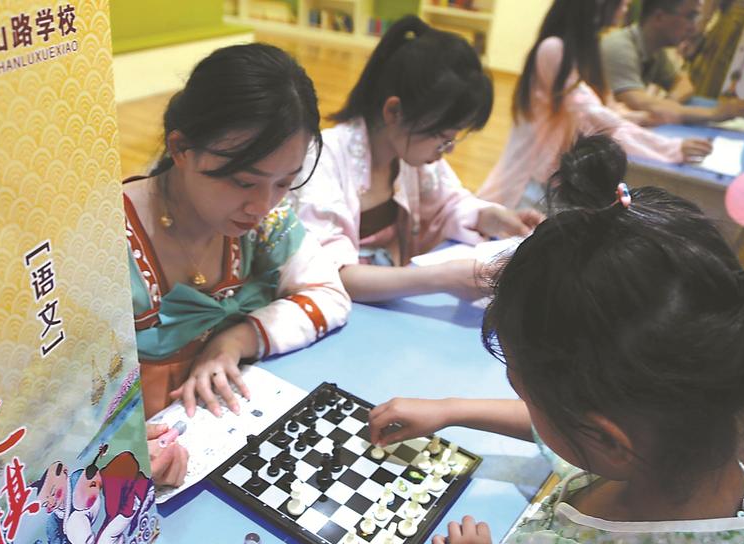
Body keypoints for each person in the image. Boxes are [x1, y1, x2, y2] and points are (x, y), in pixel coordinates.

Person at [370, 135, 744, 544]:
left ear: (606, 437)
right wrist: (451, 410)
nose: (523, 402)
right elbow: (572, 432)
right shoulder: (692, 447)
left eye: (522, 390)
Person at [124, 43, 351, 486]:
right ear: (181, 147)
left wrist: (235, 339)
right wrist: (118, 451)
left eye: (284, 183)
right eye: (243, 181)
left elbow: (330, 294)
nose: (262, 206)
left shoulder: (265, 224)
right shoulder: (108, 242)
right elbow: (60, 404)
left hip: (219, 442)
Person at [292, 16, 540, 304]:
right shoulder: (323, 160)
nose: (449, 150)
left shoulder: (409, 155)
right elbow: (331, 274)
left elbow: (449, 203)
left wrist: (490, 217)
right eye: (442, 137)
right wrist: (443, 278)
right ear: (394, 112)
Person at [478, 0, 711, 211]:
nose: (627, 5)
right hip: (530, 180)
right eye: (621, 2)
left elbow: (604, 108)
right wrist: (671, 148)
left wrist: (639, 117)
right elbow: (597, 117)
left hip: (554, 175)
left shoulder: (587, 49)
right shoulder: (555, 49)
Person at [601, 0, 744, 123]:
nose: (693, 28)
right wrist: (713, 113)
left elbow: (684, 83)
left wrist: (669, 104)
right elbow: (639, 103)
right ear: (659, 17)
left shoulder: (655, 49)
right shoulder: (619, 47)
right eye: (690, 17)